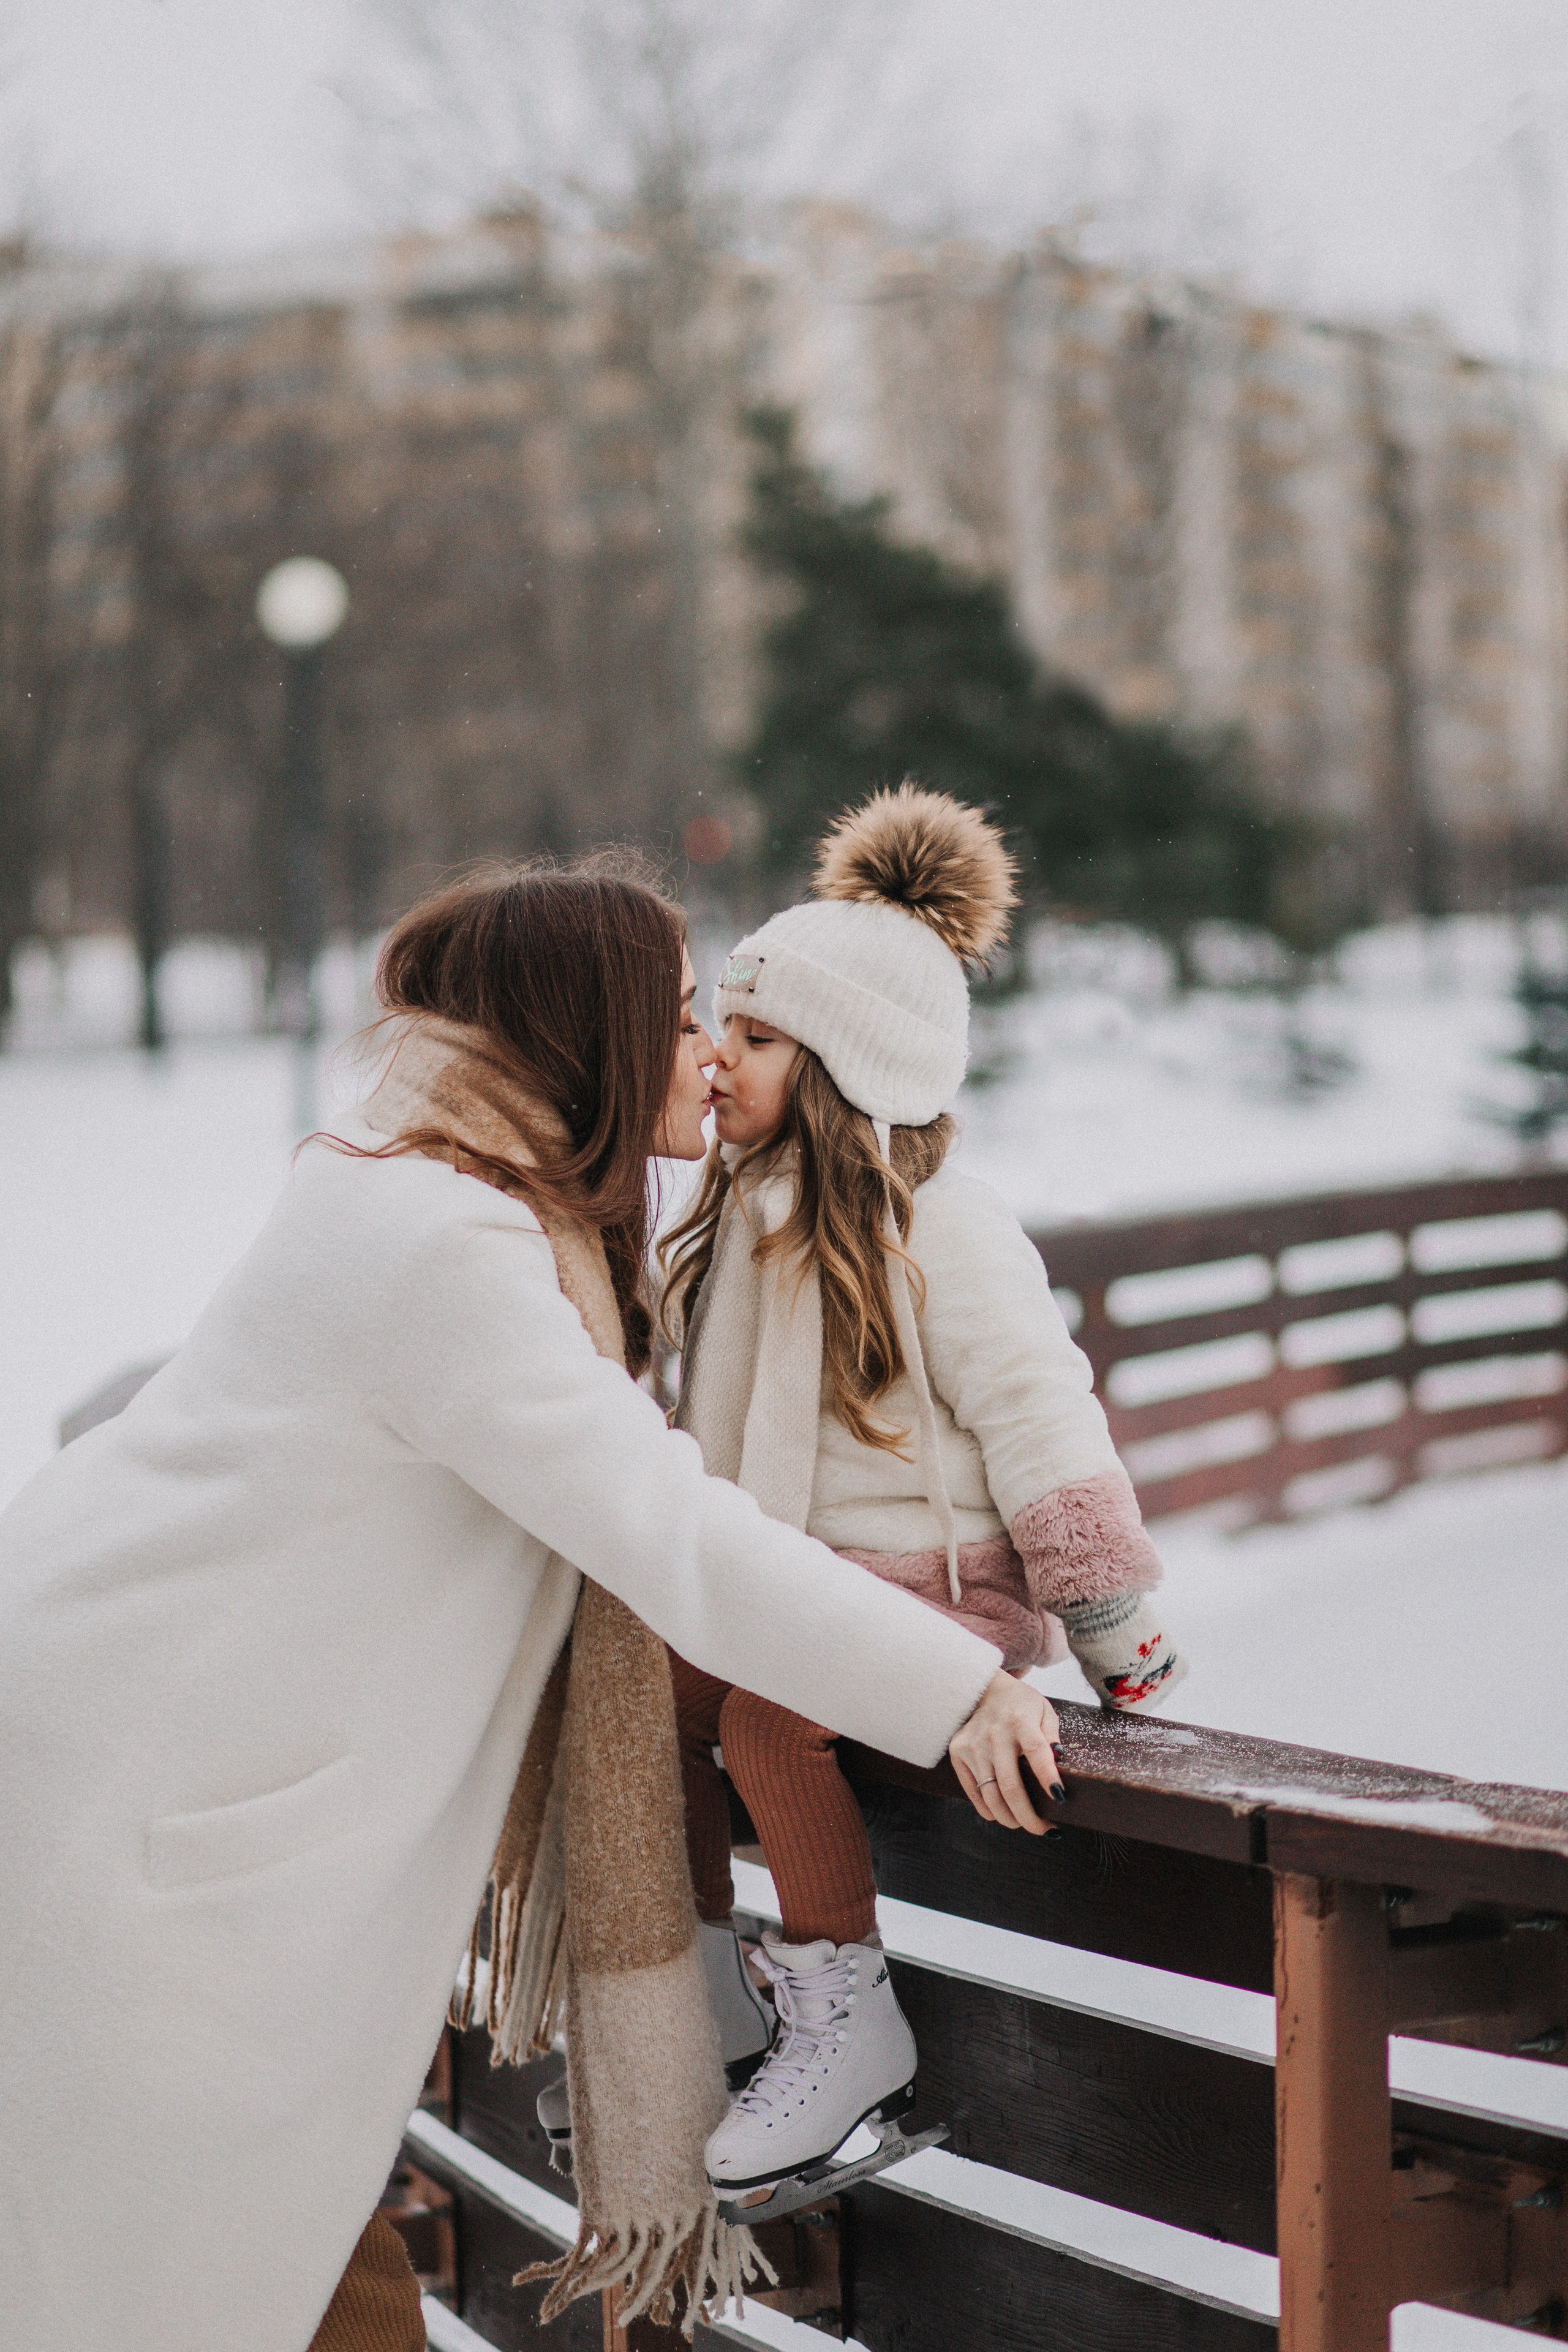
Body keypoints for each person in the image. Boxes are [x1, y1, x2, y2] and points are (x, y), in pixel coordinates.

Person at [0, 854, 1056, 2352]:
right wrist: (957, 1687)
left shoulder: (409, 1187)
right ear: (599, 1038)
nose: (710, 1049)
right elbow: (676, 1539)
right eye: (686, 1016)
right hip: (135, 1874)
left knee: (259, 2280)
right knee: (209, 2284)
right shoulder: (448, 1252)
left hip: (117, 1802)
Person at [657, 788, 1189, 2201]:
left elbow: (1036, 1413)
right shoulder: (740, 1212)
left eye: (756, 1040)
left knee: (771, 1721)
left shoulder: (937, 1225)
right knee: (653, 1700)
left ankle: (847, 2021)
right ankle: (702, 2005)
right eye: (720, 1027)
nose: (717, 1061)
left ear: (844, 1066)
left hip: (932, 1599)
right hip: (803, 1584)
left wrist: (1108, 1614)